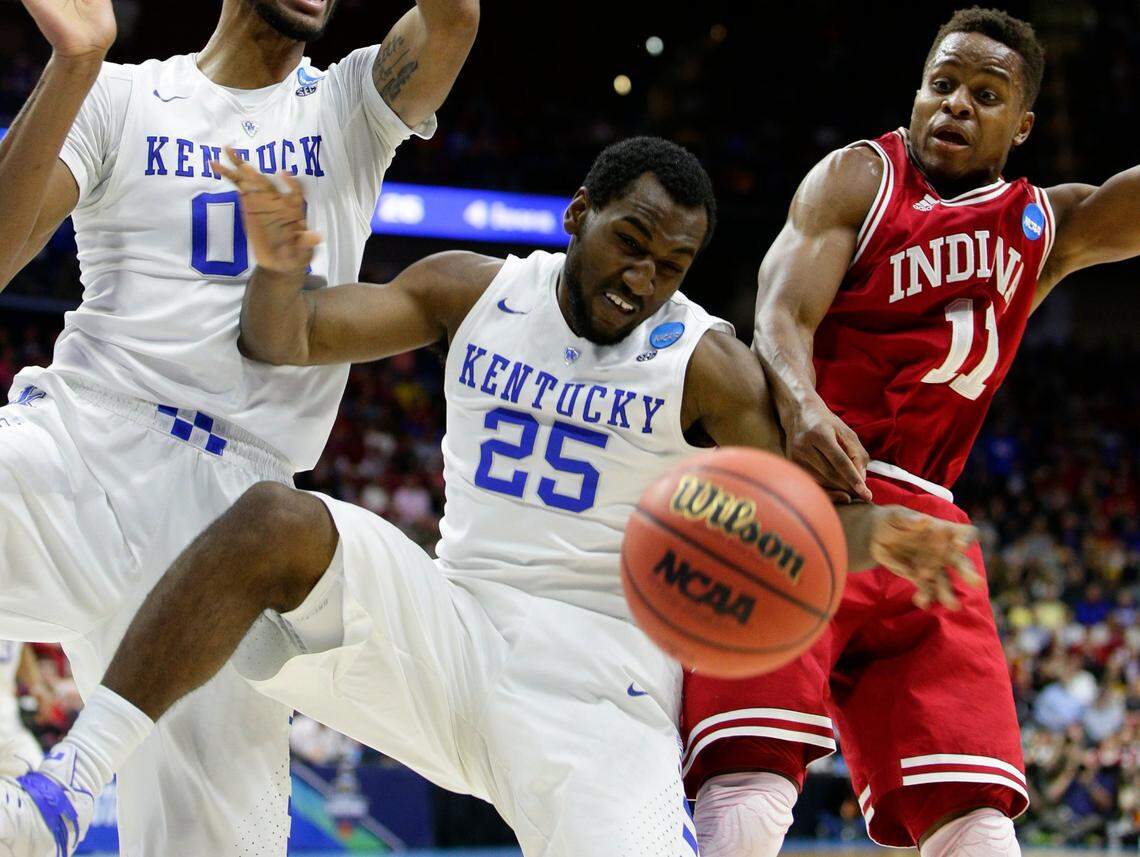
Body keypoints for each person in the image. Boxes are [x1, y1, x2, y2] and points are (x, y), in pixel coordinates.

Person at [3, 137, 979, 856]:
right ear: (578, 212)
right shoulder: (472, 290)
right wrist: (277, 267)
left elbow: (801, 521)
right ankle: (67, 786)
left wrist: (876, 535)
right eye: (631, 242)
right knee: (270, 518)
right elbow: (284, 336)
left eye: (670, 265)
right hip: (453, 633)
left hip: (600, 691)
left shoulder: (707, 362)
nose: (641, 279)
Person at [0, 0, 478, 852]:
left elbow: (454, 21)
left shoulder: (350, 106)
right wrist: (74, 62)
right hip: (83, 446)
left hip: (234, 529)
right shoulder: (121, 96)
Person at [683, 7, 1140, 856]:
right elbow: (779, 313)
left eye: (986, 94)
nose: (956, 104)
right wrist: (803, 404)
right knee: (754, 773)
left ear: (1023, 124)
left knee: (974, 814)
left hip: (929, 524)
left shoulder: (1045, 226)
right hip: (807, 490)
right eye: (942, 84)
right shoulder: (861, 177)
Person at [0, 642, 54, 779]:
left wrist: (36, 684)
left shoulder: (17, 631)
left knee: (42, 777)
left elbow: (21, 643)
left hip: (8, 722)